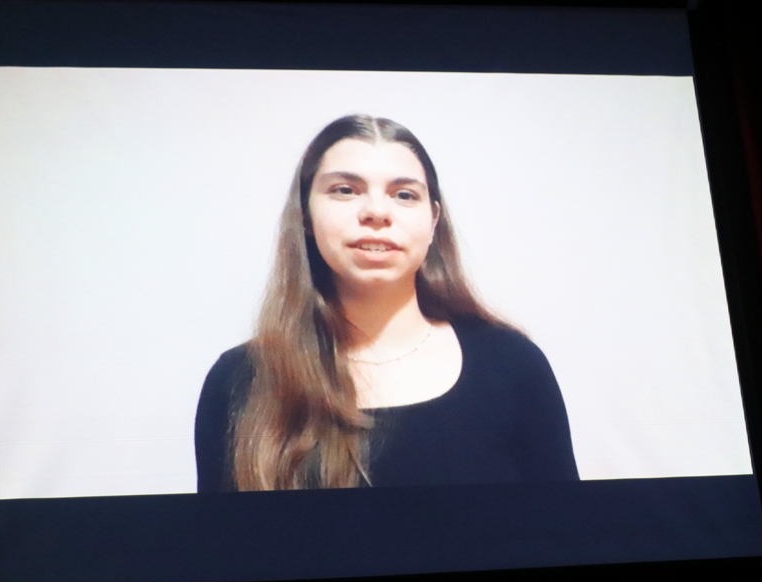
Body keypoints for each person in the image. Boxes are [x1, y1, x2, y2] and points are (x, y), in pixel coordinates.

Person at [195, 115, 577, 492]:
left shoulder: (513, 366)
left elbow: (568, 526)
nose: (376, 212)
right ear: (306, 215)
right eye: (345, 190)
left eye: (404, 195)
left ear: (433, 220)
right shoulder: (240, 380)